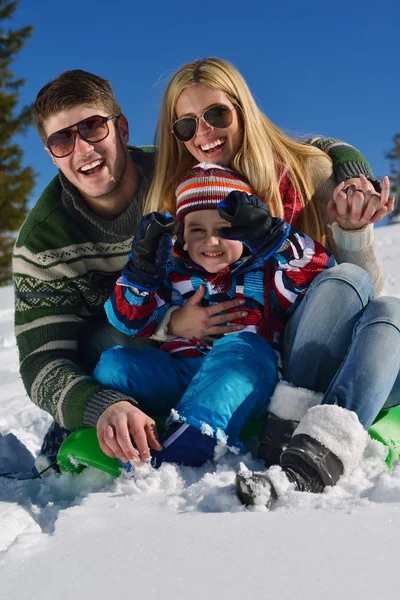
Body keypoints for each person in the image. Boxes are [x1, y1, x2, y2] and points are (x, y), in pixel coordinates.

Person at [12, 65, 391, 470]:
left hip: (261, 349)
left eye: (91, 128)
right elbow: (43, 360)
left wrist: (345, 184)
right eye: (61, 139)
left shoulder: (188, 174)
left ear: (121, 128)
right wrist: (99, 401)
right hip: (161, 348)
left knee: (335, 304)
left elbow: (316, 158)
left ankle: (212, 430)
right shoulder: (49, 239)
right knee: (106, 347)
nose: (83, 149)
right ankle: (94, 420)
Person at [140, 57, 400, 505]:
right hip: (262, 359)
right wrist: (169, 324)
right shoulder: (183, 196)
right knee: (356, 286)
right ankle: (294, 434)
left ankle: (312, 440)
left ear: (243, 110)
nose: (204, 134)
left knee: (388, 309)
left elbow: (360, 293)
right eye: (186, 126)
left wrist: (353, 231)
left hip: (324, 331)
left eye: (217, 114)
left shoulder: (306, 175)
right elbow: (154, 289)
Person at [92, 162, 335, 468]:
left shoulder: (266, 272)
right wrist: (141, 273)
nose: (211, 241)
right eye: (197, 231)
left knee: (245, 348)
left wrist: (274, 238)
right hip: (180, 374)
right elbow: (126, 318)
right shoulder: (170, 275)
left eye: (224, 230)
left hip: (244, 376)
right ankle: (141, 423)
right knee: (114, 364)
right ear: (181, 237)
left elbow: (319, 271)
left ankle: (193, 439)